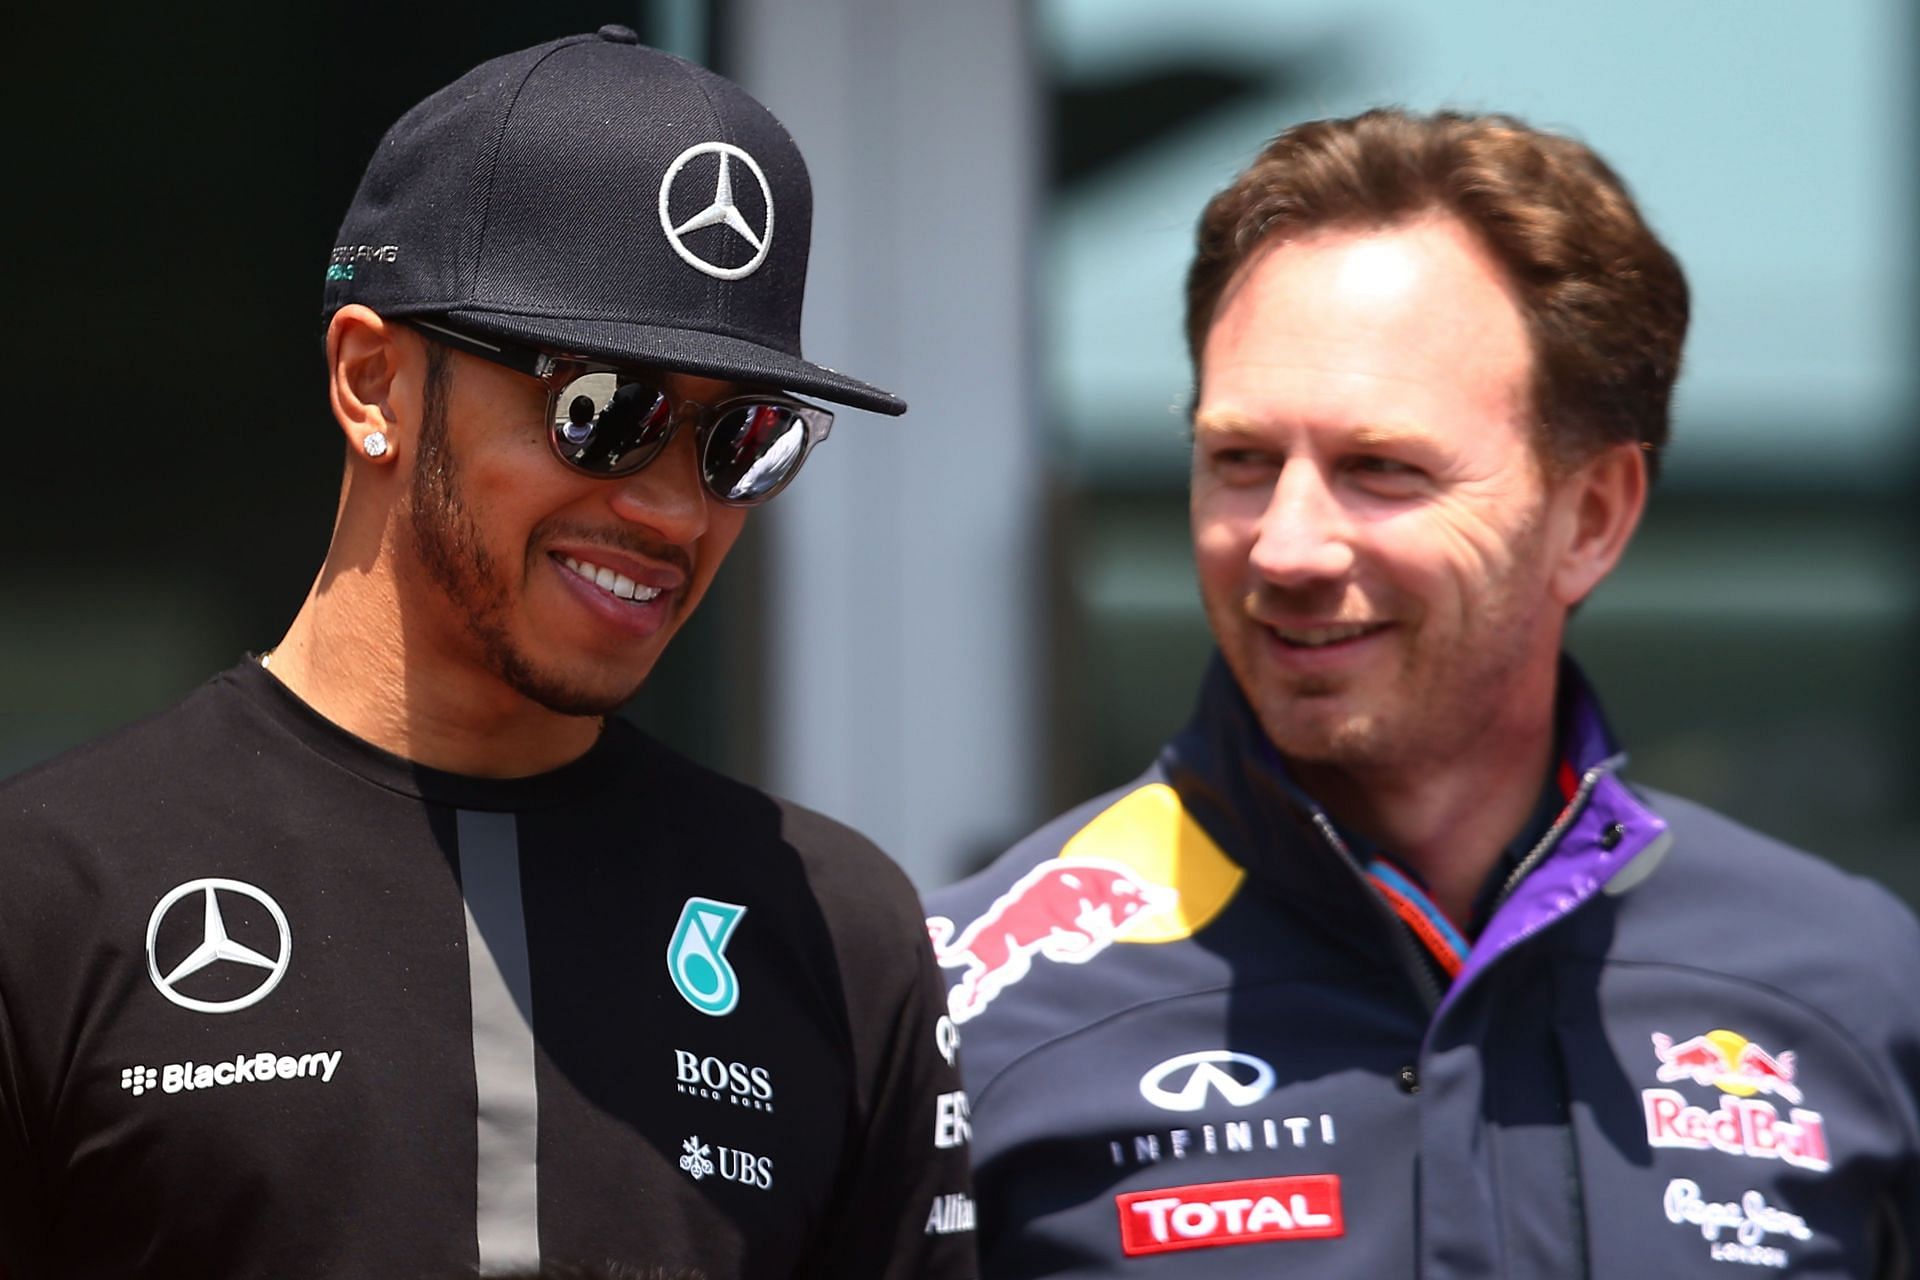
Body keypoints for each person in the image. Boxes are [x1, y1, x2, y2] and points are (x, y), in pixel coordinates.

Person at [0, 28, 974, 1280]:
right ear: (373, 383)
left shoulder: (839, 929)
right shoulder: (49, 895)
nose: (676, 510)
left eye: (742, 439)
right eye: (605, 411)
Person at [926, 107, 1920, 1276]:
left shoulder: (1855, 987)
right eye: (1240, 460)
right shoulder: (966, 1004)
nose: (1286, 545)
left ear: (1591, 516)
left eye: (1382, 470)